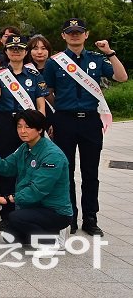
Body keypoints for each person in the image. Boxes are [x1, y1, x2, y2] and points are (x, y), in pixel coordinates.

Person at [41, 18, 128, 236]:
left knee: (90, 172)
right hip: (65, 121)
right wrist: (56, 116)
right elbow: (46, 91)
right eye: (70, 32)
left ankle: (90, 218)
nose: (74, 35)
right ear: (63, 35)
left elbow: (121, 77)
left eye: (79, 31)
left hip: (90, 120)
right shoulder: (55, 62)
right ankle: (68, 216)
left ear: (86, 34)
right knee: (65, 171)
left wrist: (110, 52)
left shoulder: (96, 59)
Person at [0, 36, 51, 231]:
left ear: (26, 52)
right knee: (7, 167)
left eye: (20, 49)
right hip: (6, 123)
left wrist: (40, 126)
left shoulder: (34, 76)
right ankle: (7, 214)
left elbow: (41, 104)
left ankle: (27, 211)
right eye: (12, 49)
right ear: (6, 52)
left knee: (31, 166)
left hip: (29, 124)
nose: (16, 52)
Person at [0, 110, 73, 245]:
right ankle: (52, 233)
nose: (22, 131)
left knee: (16, 218)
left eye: (28, 127)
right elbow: (7, 167)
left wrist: (8, 199)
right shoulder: (25, 148)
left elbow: (38, 189)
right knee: (10, 236)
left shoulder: (52, 155)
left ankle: (51, 241)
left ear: (40, 129)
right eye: (19, 126)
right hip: (35, 207)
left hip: (55, 211)